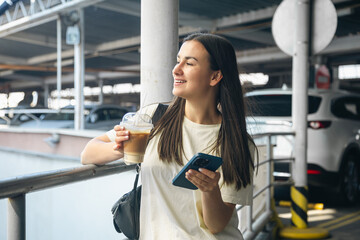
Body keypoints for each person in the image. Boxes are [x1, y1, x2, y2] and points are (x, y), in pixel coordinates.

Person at [81, 32, 257, 239]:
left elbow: (216, 225)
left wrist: (210, 191)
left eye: (189, 63)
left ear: (215, 76)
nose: (176, 70)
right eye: (177, 61)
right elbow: (88, 154)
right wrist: (120, 148)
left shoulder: (237, 142)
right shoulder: (153, 118)